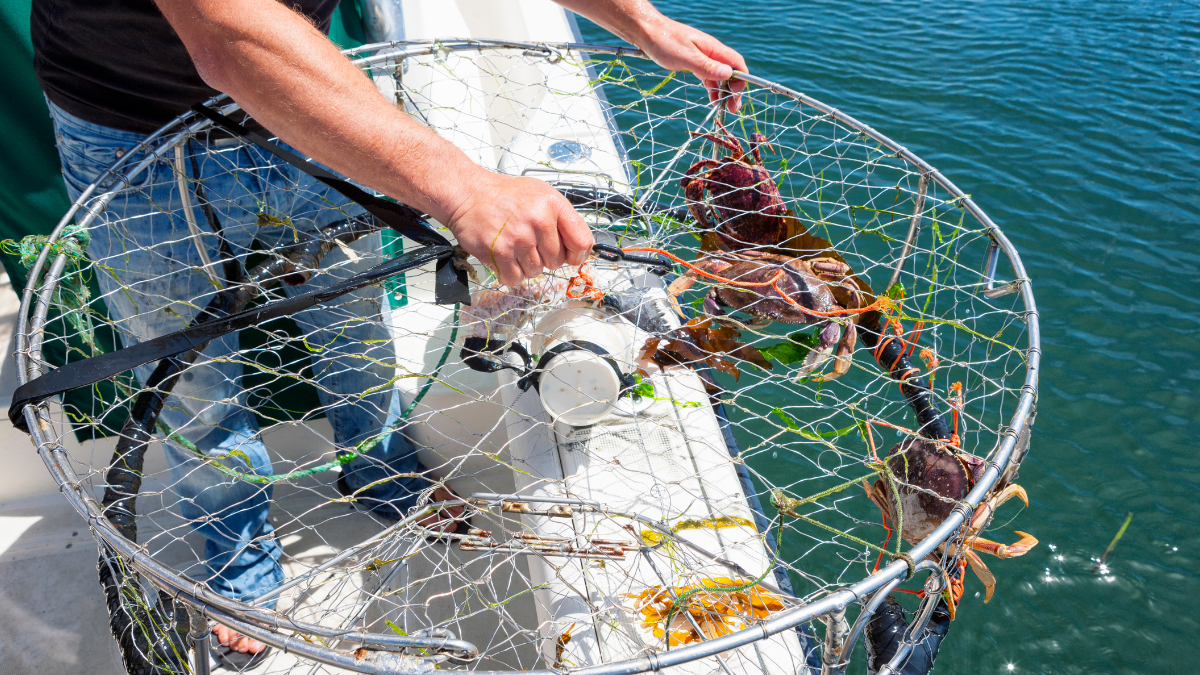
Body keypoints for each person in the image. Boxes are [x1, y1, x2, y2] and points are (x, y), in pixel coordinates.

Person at [32, 0, 747, 667]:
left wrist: (642, 21)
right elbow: (230, 36)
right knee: (192, 381)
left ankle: (383, 471)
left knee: (353, 322)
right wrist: (466, 190)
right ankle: (237, 559)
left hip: (314, 101)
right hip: (134, 128)